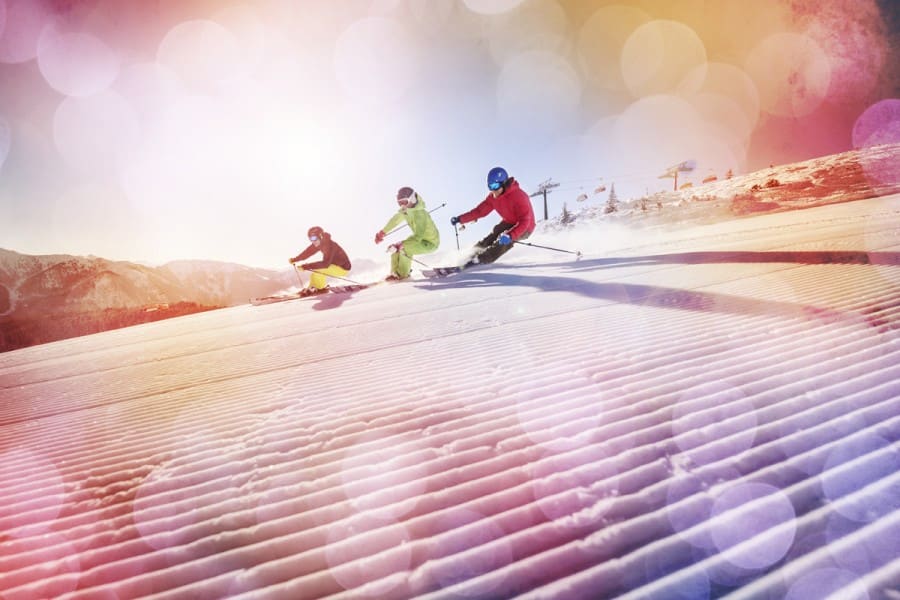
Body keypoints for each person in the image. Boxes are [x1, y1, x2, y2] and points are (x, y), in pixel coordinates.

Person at [450, 166, 535, 267]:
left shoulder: (519, 196)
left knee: (503, 238)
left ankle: (481, 260)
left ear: (504, 183)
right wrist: (460, 219)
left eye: (495, 186)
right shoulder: (493, 198)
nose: (493, 190)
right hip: (510, 221)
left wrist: (511, 235)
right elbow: (479, 211)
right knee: (495, 232)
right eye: (490, 186)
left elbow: (525, 221)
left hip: (526, 227)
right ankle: (470, 256)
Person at [374, 186, 440, 280]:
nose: (402, 205)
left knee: (404, 248)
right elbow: (395, 220)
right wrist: (382, 232)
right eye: (399, 203)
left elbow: (418, 236)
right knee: (395, 248)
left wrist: (402, 245)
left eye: (404, 202)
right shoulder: (407, 210)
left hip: (430, 243)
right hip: (419, 240)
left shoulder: (420, 214)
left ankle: (402, 275)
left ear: (412, 199)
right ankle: (394, 274)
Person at [289, 226, 352, 296]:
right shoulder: (319, 243)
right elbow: (307, 253)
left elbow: (325, 264)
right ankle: (314, 288)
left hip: (342, 268)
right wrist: (295, 259)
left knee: (318, 272)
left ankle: (318, 289)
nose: (312, 241)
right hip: (332, 266)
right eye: (310, 239)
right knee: (314, 275)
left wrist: (305, 266)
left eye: (314, 238)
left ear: (320, 236)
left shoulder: (330, 245)